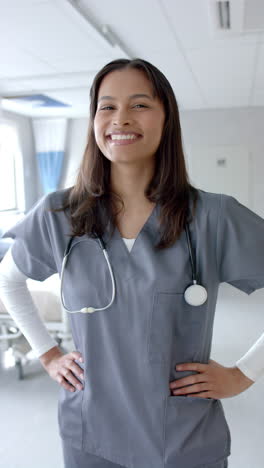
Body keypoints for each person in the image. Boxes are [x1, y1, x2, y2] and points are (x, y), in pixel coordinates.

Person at [0, 57, 264, 468]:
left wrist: (244, 373)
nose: (120, 118)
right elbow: (9, 282)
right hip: (90, 431)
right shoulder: (58, 214)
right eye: (107, 106)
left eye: (139, 104)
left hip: (181, 436)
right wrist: (48, 355)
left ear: (166, 118)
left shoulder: (214, 217)